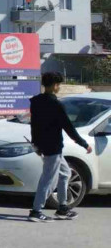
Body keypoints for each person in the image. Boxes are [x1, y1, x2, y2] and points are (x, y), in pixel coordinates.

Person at [28, 72, 92, 222]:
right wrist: (83, 144)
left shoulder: (36, 102)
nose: (59, 87)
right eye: (58, 85)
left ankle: (62, 208)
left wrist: (35, 143)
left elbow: (34, 126)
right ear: (55, 85)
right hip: (53, 147)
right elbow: (68, 127)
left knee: (65, 173)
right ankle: (36, 211)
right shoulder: (56, 104)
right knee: (48, 179)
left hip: (45, 145)